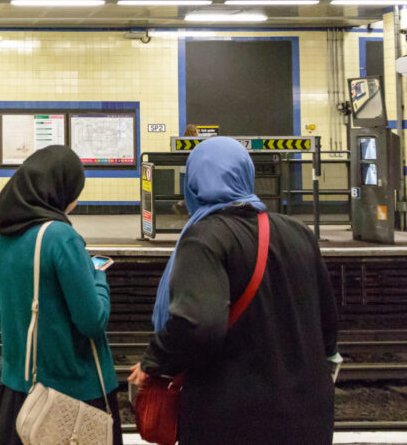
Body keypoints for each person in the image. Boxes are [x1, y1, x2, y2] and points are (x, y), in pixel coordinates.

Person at [129, 136, 338, 445]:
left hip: (233, 419)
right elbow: (327, 325)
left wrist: (154, 360)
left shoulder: (205, 238)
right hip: (308, 415)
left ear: (194, 183)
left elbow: (197, 324)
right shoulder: (298, 232)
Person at [0, 145, 122, 445]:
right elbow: (92, 321)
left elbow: (0, 308)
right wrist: (98, 276)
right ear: (58, 190)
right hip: (73, 393)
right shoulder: (61, 237)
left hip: (19, 391)